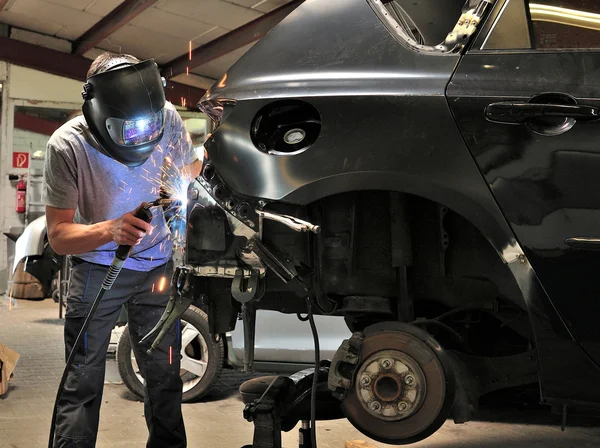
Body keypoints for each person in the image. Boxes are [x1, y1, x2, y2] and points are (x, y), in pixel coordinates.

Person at [43, 52, 201, 448]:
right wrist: (110, 230)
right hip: (99, 269)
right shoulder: (68, 145)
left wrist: (182, 183)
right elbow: (59, 236)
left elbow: (188, 170)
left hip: (158, 269)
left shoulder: (166, 118)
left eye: (148, 127)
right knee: (82, 380)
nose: (142, 137)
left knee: (165, 375)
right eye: (127, 130)